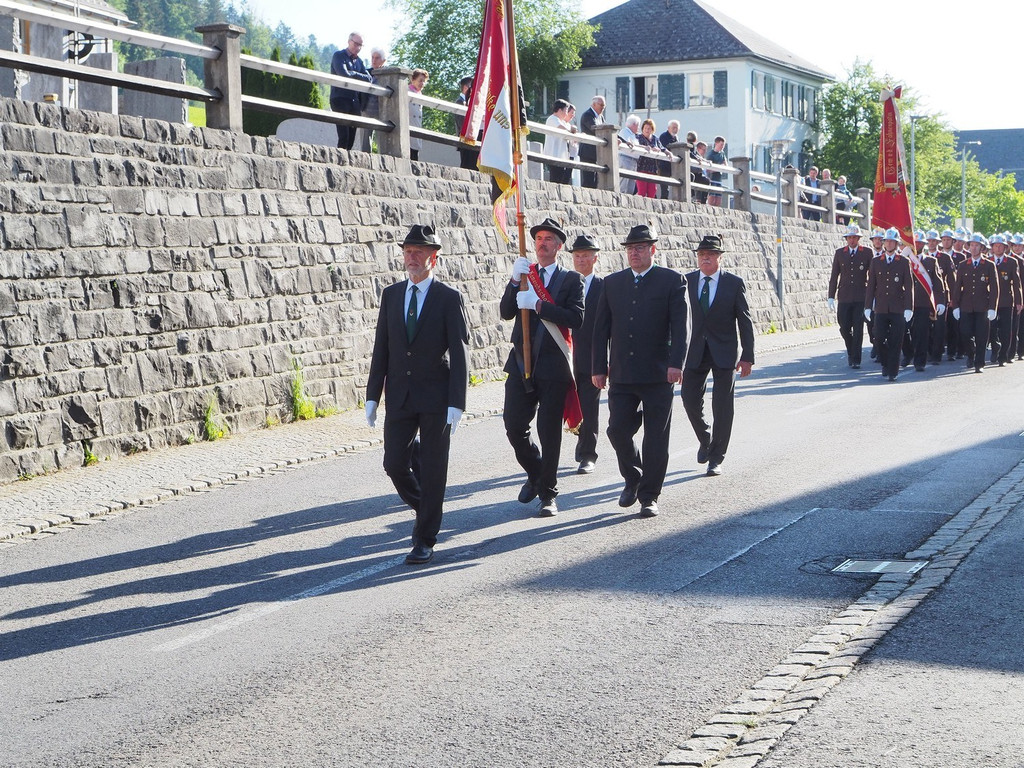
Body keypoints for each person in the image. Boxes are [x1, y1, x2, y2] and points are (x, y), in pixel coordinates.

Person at [365, 224, 469, 564]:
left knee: (435, 469)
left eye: (419, 251)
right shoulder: (391, 295)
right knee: (394, 463)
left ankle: (425, 538)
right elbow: (381, 347)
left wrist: (457, 402)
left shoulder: (448, 298)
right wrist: (372, 395)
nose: (412, 256)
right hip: (400, 395)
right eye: (408, 251)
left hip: (436, 398)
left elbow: (460, 351)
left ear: (432, 258)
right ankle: (428, 507)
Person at [592, 224, 687, 518]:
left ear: (652, 250)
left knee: (656, 437)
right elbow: (600, 330)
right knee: (617, 429)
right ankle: (633, 477)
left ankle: (649, 496)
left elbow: (681, 327)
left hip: (659, 373)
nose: (634, 253)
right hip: (622, 372)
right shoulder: (612, 283)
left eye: (641, 248)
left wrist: (676, 363)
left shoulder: (671, 281)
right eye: (631, 248)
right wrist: (598, 367)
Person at [500, 218, 584, 517]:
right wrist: (514, 282)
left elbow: (576, 318)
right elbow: (506, 312)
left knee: (549, 432)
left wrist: (538, 305)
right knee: (514, 426)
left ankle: (549, 493)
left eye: (549, 239)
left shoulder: (571, 280)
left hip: (553, 365)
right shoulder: (526, 274)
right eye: (538, 238)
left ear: (559, 246)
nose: (542, 243)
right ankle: (536, 472)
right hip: (521, 362)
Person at [681, 234, 754, 477]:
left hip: (724, 352)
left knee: (722, 406)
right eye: (702, 255)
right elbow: (677, 320)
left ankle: (716, 457)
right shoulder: (686, 281)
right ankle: (706, 439)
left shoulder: (733, 283)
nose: (705, 258)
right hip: (694, 352)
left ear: (719, 258)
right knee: (689, 399)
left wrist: (747, 356)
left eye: (710, 255)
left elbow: (744, 321)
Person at [569, 234, 603, 474]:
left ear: (594, 259)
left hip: (592, 357)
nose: (581, 260)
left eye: (585, 256)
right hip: (566, 355)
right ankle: (580, 440)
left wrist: (606, 359)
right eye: (577, 256)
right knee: (571, 404)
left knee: (589, 406)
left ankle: (588, 454)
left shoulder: (603, 287)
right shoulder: (566, 283)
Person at [864, 228, 914, 381]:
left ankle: (893, 371)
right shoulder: (876, 262)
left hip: (898, 307)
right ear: (884, 243)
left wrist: (909, 308)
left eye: (892, 241)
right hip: (881, 307)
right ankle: (885, 363)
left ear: (897, 244)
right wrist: (867, 306)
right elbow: (871, 285)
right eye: (887, 241)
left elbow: (909, 286)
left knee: (896, 340)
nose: (889, 244)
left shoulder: (904, 262)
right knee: (878, 337)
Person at [827, 224, 874, 368]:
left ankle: (856, 359)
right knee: (844, 327)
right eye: (849, 238)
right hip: (844, 296)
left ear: (858, 238)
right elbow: (834, 276)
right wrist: (831, 296)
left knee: (858, 329)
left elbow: (873, 276)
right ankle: (851, 351)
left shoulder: (867, 252)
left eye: (854, 237)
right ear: (846, 239)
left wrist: (872, 297)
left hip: (861, 296)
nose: (852, 240)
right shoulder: (840, 253)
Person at [951, 233, 999, 373]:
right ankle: (970, 353)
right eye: (971, 245)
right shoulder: (963, 265)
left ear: (982, 247)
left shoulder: (989, 265)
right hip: (966, 306)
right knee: (965, 333)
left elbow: (995, 288)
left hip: (982, 306)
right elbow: (957, 287)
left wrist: (992, 307)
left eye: (976, 245)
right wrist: (955, 305)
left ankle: (979, 363)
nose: (973, 248)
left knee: (981, 336)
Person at [901, 236, 947, 372]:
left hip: (923, 302)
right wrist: (902, 256)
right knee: (903, 330)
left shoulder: (931, 261)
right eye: (915, 243)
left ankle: (920, 361)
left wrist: (940, 301)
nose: (917, 245)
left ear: (924, 244)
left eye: (920, 243)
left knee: (921, 333)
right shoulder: (904, 260)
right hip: (905, 302)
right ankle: (908, 353)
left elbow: (938, 283)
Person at [330, 32, 372, 151]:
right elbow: (344, 75)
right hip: (340, 99)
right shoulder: (339, 56)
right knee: (344, 136)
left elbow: (369, 78)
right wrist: (356, 75)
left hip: (354, 101)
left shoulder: (359, 61)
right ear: (349, 42)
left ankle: (346, 158)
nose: (358, 47)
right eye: (356, 44)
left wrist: (353, 73)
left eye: (360, 45)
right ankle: (340, 158)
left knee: (351, 138)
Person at [988, 234, 1022, 366]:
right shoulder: (988, 261)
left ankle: (1004, 356)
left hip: (1007, 301)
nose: (998, 248)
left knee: (1007, 330)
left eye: (1000, 246)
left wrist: (1018, 302)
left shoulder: (1012, 262)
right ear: (992, 247)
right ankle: (995, 348)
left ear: (1005, 247)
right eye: (995, 246)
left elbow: (1017, 283)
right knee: (991, 328)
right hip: (991, 302)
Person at [359, 47, 387, 153]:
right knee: (365, 140)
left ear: (383, 60)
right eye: (372, 57)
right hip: (367, 110)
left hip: (383, 113)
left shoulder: (387, 75)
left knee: (383, 140)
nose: (374, 60)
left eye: (377, 58)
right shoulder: (366, 73)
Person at [544, 99, 578, 185]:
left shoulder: (564, 122)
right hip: (554, 154)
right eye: (566, 111)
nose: (567, 114)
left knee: (563, 180)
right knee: (555, 180)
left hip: (562, 155)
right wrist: (571, 130)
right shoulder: (552, 119)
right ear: (559, 110)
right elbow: (561, 128)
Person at [635, 119, 670, 198]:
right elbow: (635, 145)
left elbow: (662, 148)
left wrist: (668, 153)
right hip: (641, 166)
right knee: (642, 191)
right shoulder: (638, 137)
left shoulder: (655, 138)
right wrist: (647, 147)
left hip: (652, 168)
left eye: (649, 128)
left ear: (652, 130)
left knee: (652, 191)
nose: (647, 130)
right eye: (645, 128)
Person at [578, 95, 606, 188]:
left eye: (604, 105)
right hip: (587, 151)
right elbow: (596, 130)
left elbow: (607, 130)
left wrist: (619, 139)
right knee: (588, 179)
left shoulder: (601, 117)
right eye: (601, 105)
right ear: (594, 104)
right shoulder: (587, 115)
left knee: (596, 180)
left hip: (597, 152)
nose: (603, 107)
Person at [455, 76, 478, 171]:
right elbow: (461, 122)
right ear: (465, 88)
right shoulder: (460, 102)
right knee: (466, 166)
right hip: (465, 138)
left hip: (471, 139)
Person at [407, 68, 429, 162]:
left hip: (416, 127)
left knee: (415, 155)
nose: (422, 83)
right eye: (420, 80)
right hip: (408, 128)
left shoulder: (420, 94)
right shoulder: (407, 91)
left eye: (424, 81)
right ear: (413, 80)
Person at [618, 115, 641, 195]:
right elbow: (629, 145)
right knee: (624, 183)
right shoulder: (624, 132)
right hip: (626, 159)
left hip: (632, 161)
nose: (638, 128)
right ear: (634, 124)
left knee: (630, 185)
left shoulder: (633, 135)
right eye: (638, 125)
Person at [658, 119, 680, 198]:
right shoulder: (664, 136)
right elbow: (664, 147)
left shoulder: (676, 138)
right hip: (664, 164)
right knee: (665, 187)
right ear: (668, 128)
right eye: (673, 127)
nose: (675, 129)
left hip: (673, 165)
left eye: (677, 128)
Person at [705, 136, 727, 206]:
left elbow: (725, 164)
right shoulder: (711, 154)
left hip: (719, 179)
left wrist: (721, 167)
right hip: (712, 179)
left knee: (718, 200)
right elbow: (708, 169)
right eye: (721, 144)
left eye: (723, 145)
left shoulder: (722, 153)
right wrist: (719, 168)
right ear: (716, 143)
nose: (722, 147)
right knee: (712, 198)